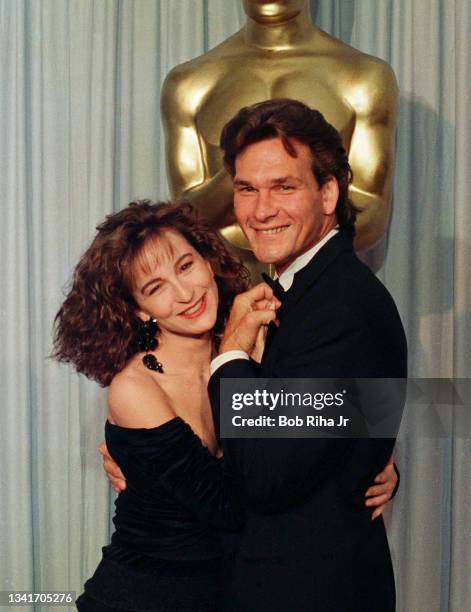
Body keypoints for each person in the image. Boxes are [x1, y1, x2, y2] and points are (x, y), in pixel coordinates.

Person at [205, 99, 407, 611]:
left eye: (283, 187)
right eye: (247, 188)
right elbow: (363, 413)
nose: (259, 210)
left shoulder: (342, 306)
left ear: (328, 193)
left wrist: (230, 355)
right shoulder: (300, 293)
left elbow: (268, 474)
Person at [53, 201, 254, 611]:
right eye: (155, 287)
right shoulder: (134, 388)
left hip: (227, 592)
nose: (185, 294)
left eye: (185, 266)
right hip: (141, 597)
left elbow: (346, 409)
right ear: (139, 309)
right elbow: (228, 506)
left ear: (208, 262)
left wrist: (379, 460)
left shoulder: (241, 350)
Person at [161, 0, 398, 280]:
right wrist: (248, 169)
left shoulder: (363, 78)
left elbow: (371, 216)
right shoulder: (189, 84)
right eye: (246, 188)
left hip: (324, 295)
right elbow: (184, 219)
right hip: (225, 301)